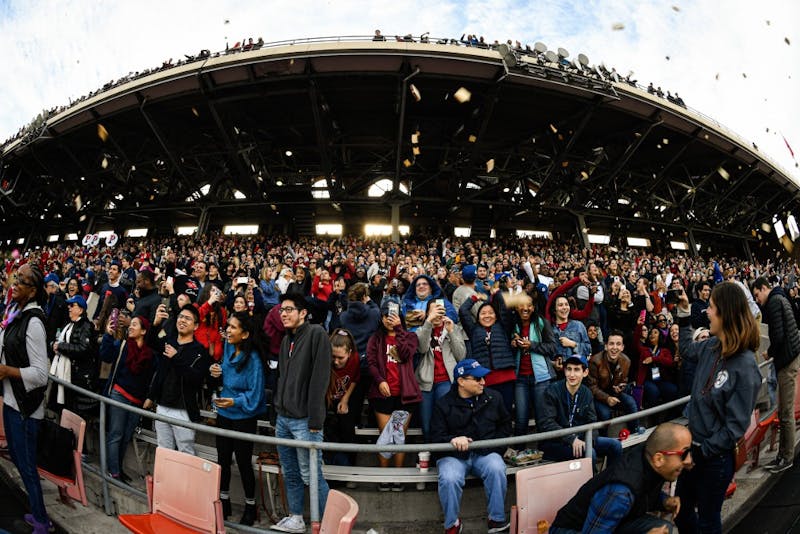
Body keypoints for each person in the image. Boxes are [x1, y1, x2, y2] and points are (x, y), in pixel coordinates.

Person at [673, 283, 761, 534]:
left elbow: (735, 428)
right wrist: (682, 314)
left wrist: (701, 453)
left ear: (725, 312)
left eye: (711, 307)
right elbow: (687, 350)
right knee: (681, 513)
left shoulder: (745, 366)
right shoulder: (711, 346)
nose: (707, 312)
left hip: (714, 460)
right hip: (693, 451)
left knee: (708, 522)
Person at [550, 422, 690, 534]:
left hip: (614, 521)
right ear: (659, 458)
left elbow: (643, 492)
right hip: (570, 530)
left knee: (663, 527)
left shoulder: (650, 456)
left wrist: (664, 501)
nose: (689, 460)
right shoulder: (620, 493)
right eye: (683, 454)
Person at [429, 359, 512, 534]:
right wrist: (452, 439)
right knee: (449, 477)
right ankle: (452, 525)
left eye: (483, 378)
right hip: (453, 457)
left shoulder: (494, 397)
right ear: (461, 381)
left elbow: (505, 426)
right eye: (477, 379)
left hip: (485, 454)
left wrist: (494, 449)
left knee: (496, 467)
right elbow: (435, 437)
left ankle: (496, 521)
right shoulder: (443, 404)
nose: (483, 382)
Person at [271, 293, 331, 534]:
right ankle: (296, 517)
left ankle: (329, 523)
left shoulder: (317, 334)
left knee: (312, 475)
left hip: (306, 420)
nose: (283, 314)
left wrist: (316, 418)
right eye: (281, 310)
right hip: (284, 418)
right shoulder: (287, 340)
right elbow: (282, 378)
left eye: (288, 309)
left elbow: (320, 378)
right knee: (291, 472)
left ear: (303, 312)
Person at [0, 264, 53, 533]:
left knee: (28, 468)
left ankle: (42, 522)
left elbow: (41, 375)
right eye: (16, 276)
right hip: (11, 404)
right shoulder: (17, 314)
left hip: (25, 410)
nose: (16, 281)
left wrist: (7, 371)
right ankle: (37, 514)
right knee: (21, 463)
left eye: (23, 280)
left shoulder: (33, 322)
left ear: (33, 291)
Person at [209, 311, 266, 526]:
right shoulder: (228, 347)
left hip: (244, 416)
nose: (228, 331)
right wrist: (217, 370)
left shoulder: (254, 360)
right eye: (228, 326)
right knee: (222, 460)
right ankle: (224, 503)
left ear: (245, 334)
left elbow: (256, 393)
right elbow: (226, 370)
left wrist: (235, 402)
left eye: (233, 327)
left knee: (243, 462)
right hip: (224, 413)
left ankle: (251, 507)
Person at [367, 300, 421, 491]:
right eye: (386, 316)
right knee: (386, 436)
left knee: (399, 436)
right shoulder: (375, 338)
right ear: (381, 318)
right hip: (383, 395)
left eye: (394, 315)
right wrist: (381, 380)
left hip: (405, 395)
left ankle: (397, 476)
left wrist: (399, 328)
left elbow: (406, 354)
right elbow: (371, 363)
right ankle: (384, 475)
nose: (389, 319)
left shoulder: (410, 337)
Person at [144, 303, 209, 454]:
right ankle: (166, 479)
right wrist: (155, 324)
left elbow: (196, 378)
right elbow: (151, 342)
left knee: (185, 453)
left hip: (183, 410)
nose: (182, 320)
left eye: (187, 318)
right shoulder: (170, 341)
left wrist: (176, 357)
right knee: (163, 450)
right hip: (162, 406)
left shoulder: (200, 351)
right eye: (180, 317)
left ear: (196, 326)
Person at [538, 355, 622, 467]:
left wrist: (589, 441)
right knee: (589, 453)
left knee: (615, 445)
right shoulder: (552, 391)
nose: (572, 374)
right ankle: (591, 484)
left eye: (577, 369)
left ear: (585, 372)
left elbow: (592, 422)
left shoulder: (586, 392)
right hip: (556, 443)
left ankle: (610, 480)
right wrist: (571, 439)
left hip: (580, 438)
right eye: (569, 369)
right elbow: (547, 423)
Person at [752, 276, 800, 473]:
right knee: (784, 412)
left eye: (757, 295)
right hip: (791, 357)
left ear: (764, 288)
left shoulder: (773, 302)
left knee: (786, 413)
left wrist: (769, 352)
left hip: (787, 361)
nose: (757, 300)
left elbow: (778, 337)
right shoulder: (781, 298)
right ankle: (783, 455)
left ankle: (785, 457)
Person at [99, 315, 154, 481]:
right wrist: (108, 335)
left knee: (126, 436)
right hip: (119, 394)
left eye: (135, 325)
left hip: (137, 401)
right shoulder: (122, 345)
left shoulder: (150, 354)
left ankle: (118, 469)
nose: (130, 327)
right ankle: (113, 471)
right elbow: (105, 356)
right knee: (116, 433)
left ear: (143, 331)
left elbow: (151, 377)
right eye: (131, 325)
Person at [415, 298, 466, 440]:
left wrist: (451, 332)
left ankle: (443, 456)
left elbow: (461, 356)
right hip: (426, 383)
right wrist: (428, 323)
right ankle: (428, 456)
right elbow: (422, 348)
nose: (437, 314)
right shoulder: (421, 329)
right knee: (426, 425)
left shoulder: (452, 327)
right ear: (428, 313)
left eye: (440, 310)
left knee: (446, 422)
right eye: (433, 310)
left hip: (446, 381)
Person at [510, 291, 559, 434]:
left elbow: (552, 347)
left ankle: (544, 449)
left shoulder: (541, 322)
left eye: (529, 305)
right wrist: (513, 344)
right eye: (521, 305)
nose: (525, 308)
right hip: (520, 378)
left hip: (541, 378)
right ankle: (519, 452)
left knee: (542, 418)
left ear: (533, 307)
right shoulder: (514, 325)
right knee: (521, 418)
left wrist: (532, 345)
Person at [50, 294, 98, 417]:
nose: (69, 308)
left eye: (72, 305)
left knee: (72, 414)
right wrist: (54, 345)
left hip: (77, 378)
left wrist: (60, 347)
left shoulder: (86, 326)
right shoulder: (68, 324)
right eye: (68, 305)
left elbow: (84, 349)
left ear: (81, 309)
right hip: (65, 373)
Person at [587, 330, 639, 431]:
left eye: (618, 344)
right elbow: (591, 387)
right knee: (605, 414)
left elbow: (624, 379)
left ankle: (634, 432)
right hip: (598, 397)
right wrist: (607, 398)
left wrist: (620, 387)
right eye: (611, 344)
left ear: (622, 347)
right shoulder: (595, 361)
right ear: (606, 346)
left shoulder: (626, 361)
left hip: (614, 393)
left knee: (631, 403)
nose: (615, 347)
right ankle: (603, 441)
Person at [323, 329, 361, 467]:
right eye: (333, 356)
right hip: (326, 398)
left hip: (344, 395)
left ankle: (350, 467)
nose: (336, 361)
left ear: (349, 353)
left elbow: (355, 379)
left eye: (341, 358)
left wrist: (345, 399)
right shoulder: (324, 359)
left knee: (347, 429)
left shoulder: (355, 359)